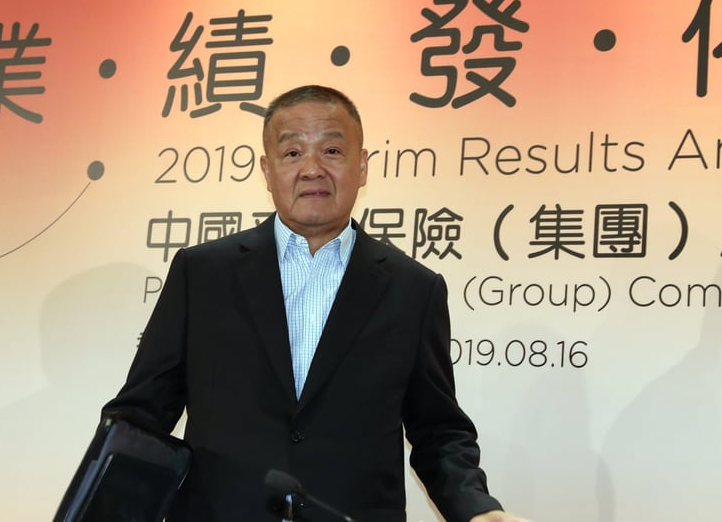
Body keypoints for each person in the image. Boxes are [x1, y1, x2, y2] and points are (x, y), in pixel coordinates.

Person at [101, 85, 529, 521]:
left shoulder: (413, 289)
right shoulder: (203, 274)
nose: (312, 169)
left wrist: (478, 511)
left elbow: (438, 431)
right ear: (267, 170)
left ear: (362, 166)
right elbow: (141, 416)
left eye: (331, 150)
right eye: (292, 154)